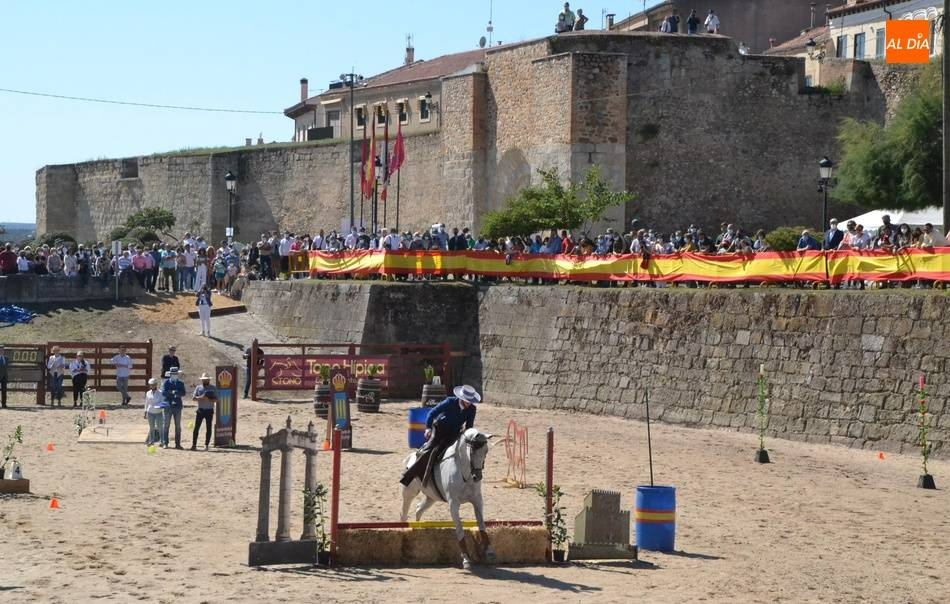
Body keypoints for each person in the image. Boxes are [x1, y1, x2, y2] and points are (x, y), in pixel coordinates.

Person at [400, 384, 481, 486]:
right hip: (439, 430)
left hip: (454, 434)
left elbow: (469, 426)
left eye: (470, 401)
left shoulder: (472, 409)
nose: (469, 403)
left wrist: (468, 437)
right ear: (462, 398)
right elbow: (432, 413)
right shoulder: (450, 401)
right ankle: (409, 476)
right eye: (467, 400)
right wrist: (428, 428)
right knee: (428, 450)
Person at [191, 372, 218, 451]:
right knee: (196, 428)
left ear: (209, 380)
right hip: (200, 410)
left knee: (208, 428)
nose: (205, 381)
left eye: (206, 379)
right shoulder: (198, 388)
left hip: (209, 410)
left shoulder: (213, 388)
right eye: (204, 380)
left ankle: (206, 444)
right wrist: (201, 397)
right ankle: (194, 444)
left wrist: (209, 399)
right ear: (202, 380)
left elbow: (217, 399)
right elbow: (193, 398)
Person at [162, 367, 186, 449]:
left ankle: (177, 444)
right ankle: (165, 442)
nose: (174, 375)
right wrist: (171, 393)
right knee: (166, 425)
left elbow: (184, 393)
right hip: (168, 406)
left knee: (178, 426)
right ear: (170, 374)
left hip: (178, 406)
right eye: (173, 374)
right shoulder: (166, 383)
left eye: (175, 374)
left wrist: (178, 393)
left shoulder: (180, 383)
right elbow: (163, 393)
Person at [144, 378, 167, 446]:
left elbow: (163, 402)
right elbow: (147, 403)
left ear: (156, 385)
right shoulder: (148, 393)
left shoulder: (160, 393)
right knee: (151, 427)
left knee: (160, 427)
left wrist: (159, 406)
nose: (152, 386)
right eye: (151, 385)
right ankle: (151, 441)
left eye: (153, 385)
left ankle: (162, 441)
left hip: (158, 412)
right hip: (150, 412)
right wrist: (145, 411)